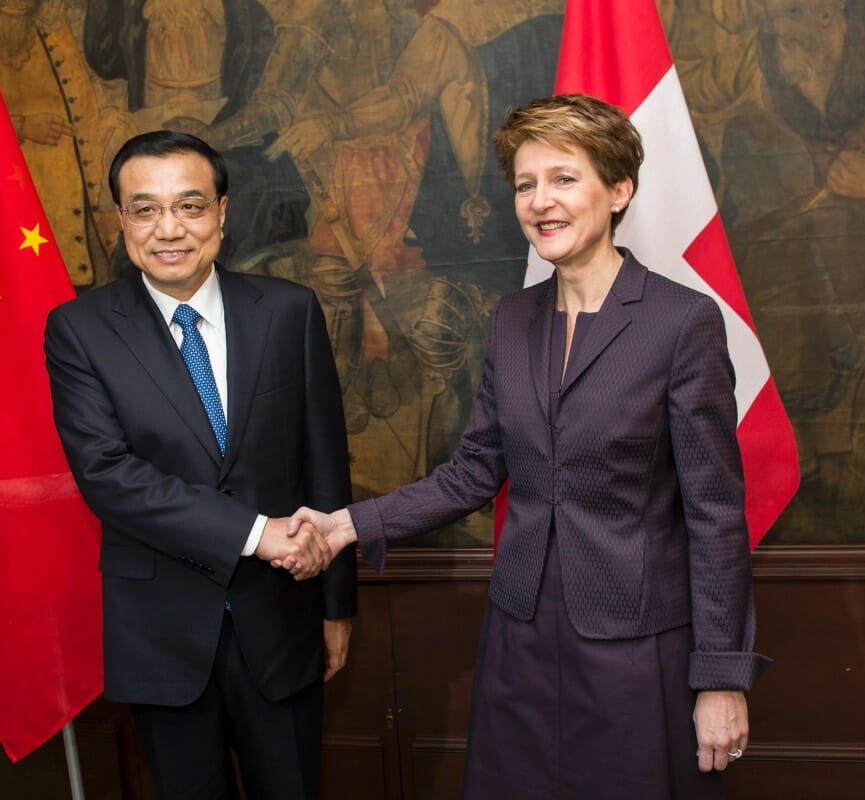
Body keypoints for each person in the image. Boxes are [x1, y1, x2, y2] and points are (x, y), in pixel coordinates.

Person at [288, 94, 771, 799]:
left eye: (564, 179)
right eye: (524, 183)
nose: (540, 201)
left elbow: (716, 515)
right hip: (520, 635)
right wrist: (347, 525)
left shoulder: (681, 322)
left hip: (635, 644)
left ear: (618, 190)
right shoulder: (512, 319)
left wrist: (722, 677)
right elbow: (473, 471)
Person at [43, 130, 356, 800]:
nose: (169, 230)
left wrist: (338, 605)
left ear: (221, 212)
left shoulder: (290, 311)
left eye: (189, 206)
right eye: (145, 209)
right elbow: (107, 474)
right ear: (120, 221)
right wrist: (254, 531)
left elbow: (326, 466)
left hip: (283, 624)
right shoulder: (79, 330)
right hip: (161, 635)